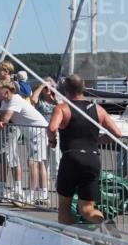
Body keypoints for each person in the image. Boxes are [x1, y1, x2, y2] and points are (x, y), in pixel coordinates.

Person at [47, 74, 123, 225]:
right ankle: (104, 223)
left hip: (71, 158)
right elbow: (117, 134)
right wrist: (96, 141)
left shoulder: (63, 108)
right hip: (92, 159)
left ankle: (66, 240)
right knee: (87, 209)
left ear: (66, 90)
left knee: (64, 207)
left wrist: (52, 141)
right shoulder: (98, 109)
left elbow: (52, 128)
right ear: (83, 89)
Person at [0, 80, 49, 204]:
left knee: (33, 162)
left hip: (39, 132)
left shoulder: (15, 100)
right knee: (38, 162)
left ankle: (30, 196)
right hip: (31, 133)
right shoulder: (4, 102)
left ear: (6, 92)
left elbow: (5, 120)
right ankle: (43, 194)